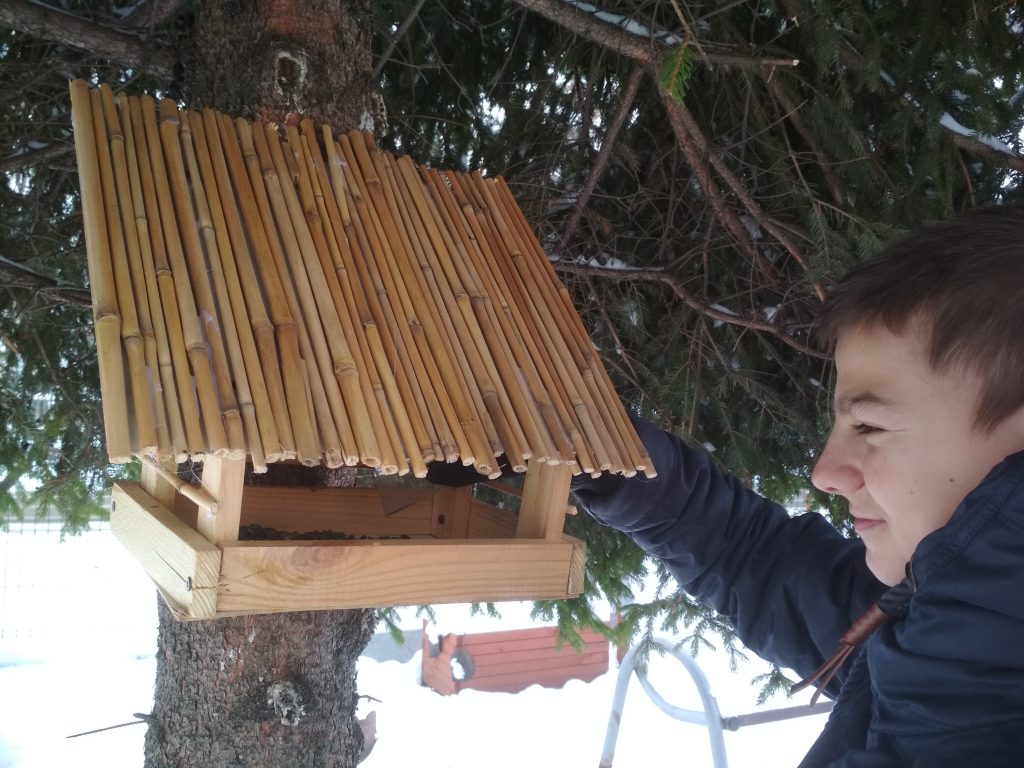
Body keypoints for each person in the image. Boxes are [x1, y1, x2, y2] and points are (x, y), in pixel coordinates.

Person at [571, 203, 1024, 767]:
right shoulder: (949, 630)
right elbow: (759, 563)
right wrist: (598, 452)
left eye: (871, 425)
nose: (824, 473)